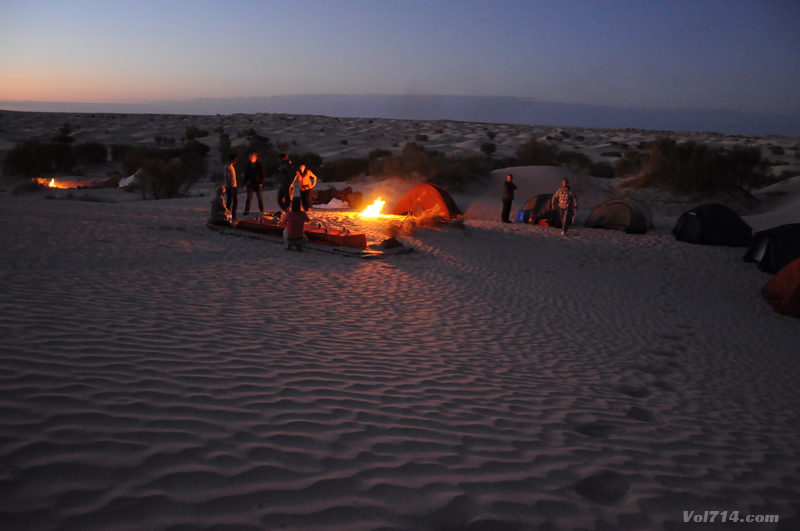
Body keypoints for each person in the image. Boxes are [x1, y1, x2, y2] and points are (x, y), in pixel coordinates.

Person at [242, 151, 265, 215]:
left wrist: (261, 182)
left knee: (259, 197)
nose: (251, 158)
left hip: (257, 183)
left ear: (256, 157)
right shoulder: (248, 165)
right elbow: (246, 175)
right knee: (249, 197)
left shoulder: (259, 165)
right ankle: (246, 210)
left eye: (252, 156)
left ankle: (261, 210)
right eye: (250, 156)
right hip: (250, 183)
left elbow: (262, 174)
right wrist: (245, 184)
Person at [224, 153, 238, 220]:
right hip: (230, 187)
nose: (235, 161)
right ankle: (228, 216)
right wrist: (230, 187)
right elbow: (226, 178)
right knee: (229, 202)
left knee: (235, 201)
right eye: (234, 159)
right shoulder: (227, 167)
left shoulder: (232, 166)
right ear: (230, 159)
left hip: (234, 186)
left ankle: (234, 216)